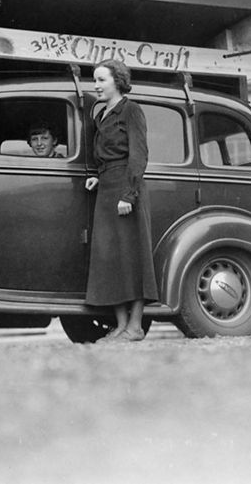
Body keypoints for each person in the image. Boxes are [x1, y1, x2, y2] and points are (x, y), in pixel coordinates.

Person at [84, 59, 157, 342]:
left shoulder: (131, 109)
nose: (97, 86)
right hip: (107, 189)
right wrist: (99, 178)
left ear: (118, 80)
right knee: (110, 258)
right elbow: (108, 154)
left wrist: (129, 194)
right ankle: (122, 325)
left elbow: (138, 155)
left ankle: (136, 326)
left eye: (101, 80)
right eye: (95, 80)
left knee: (132, 258)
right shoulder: (102, 114)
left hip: (128, 190)